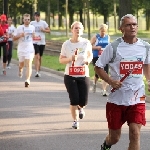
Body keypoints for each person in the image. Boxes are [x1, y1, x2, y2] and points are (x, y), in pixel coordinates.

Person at [95, 14, 150, 150]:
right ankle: (106, 145)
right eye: (128, 25)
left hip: (138, 98)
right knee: (114, 137)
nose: (132, 27)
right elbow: (98, 66)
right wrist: (110, 81)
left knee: (135, 133)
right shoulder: (113, 47)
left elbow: (147, 65)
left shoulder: (145, 47)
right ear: (121, 28)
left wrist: (149, 80)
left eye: (134, 24)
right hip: (116, 100)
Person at [59, 21, 93, 129]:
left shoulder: (86, 43)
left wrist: (88, 60)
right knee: (74, 99)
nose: (77, 30)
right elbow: (61, 60)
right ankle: (75, 121)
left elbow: (90, 55)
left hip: (83, 74)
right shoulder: (66, 44)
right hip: (70, 75)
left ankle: (81, 107)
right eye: (75, 28)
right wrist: (70, 59)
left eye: (79, 28)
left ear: (82, 31)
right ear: (71, 30)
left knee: (83, 101)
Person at [13, 14, 35, 87]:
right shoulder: (19, 28)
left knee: (29, 64)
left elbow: (34, 36)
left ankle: (27, 80)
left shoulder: (32, 27)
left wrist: (35, 37)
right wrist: (20, 35)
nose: (27, 21)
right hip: (21, 48)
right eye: (25, 19)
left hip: (29, 48)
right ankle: (20, 70)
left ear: (30, 20)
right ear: (23, 20)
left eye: (28, 19)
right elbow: (13, 38)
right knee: (21, 64)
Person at [90, 24, 110, 96]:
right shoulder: (96, 37)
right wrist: (96, 48)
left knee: (105, 73)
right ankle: (94, 83)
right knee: (98, 73)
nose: (103, 33)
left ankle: (104, 90)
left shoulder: (107, 37)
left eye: (104, 31)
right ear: (99, 31)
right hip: (96, 56)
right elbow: (89, 46)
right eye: (102, 31)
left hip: (105, 57)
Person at [30, 12, 50, 77]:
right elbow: (29, 30)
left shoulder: (43, 23)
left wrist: (43, 30)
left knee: (40, 57)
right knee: (37, 56)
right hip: (35, 42)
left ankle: (38, 69)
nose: (37, 17)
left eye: (38, 16)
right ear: (34, 17)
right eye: (36, 16)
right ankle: (37, 71)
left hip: (42, 42)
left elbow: (49, 30)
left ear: (39, 16)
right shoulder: (32, 23)